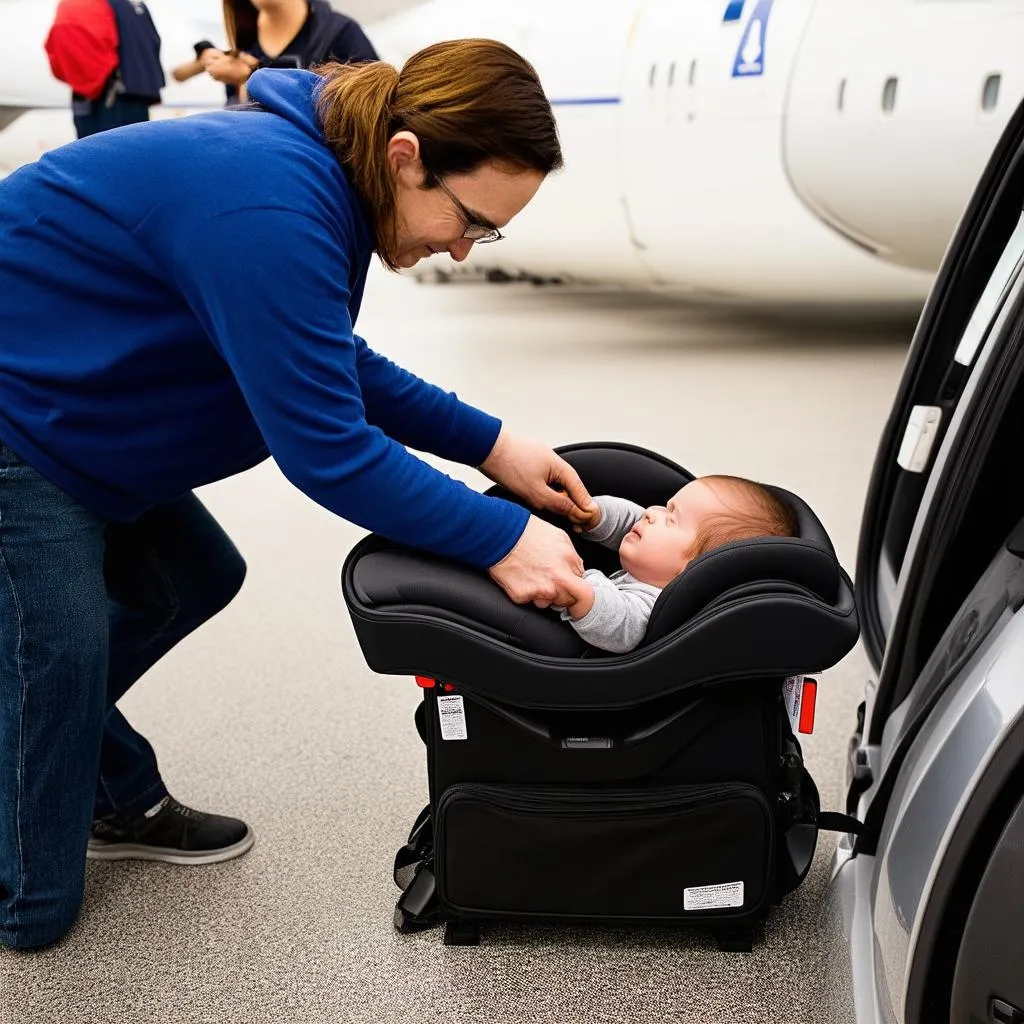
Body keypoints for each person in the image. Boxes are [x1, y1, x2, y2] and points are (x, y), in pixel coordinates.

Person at [0, 40, 593, 950]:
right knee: (39, 907)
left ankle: (71, 761)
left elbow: (326, 357)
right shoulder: (270, 200)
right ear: (405, 155)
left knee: (189, 580)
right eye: (470, 218)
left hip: (79, 418)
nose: (465, 251)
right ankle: (40, 796)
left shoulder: (322, 183)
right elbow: (327, 450)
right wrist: (502, 537)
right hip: (19, 424)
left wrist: (495, 445)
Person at [557, 476, 798, 653]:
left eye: (671, 519)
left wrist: (578, 582)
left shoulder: (650, 607)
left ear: (696, 568)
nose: (651, 512)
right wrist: (596, 516)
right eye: (666, 506)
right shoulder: (659, 564)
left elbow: (617, 622)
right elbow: (633, 522)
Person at [178, 0, 378, 106]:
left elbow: (372, 108)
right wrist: (241, 85)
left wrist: (250, 78)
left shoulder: (342, 33)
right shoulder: (244, 45)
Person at [44, 0, 165, 139]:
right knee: (134, 154)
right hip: (129, 97)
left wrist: (87, 85)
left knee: (96, 155)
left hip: (105, 99)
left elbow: (64, 46)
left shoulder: (81, 4)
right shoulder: (135, 4)